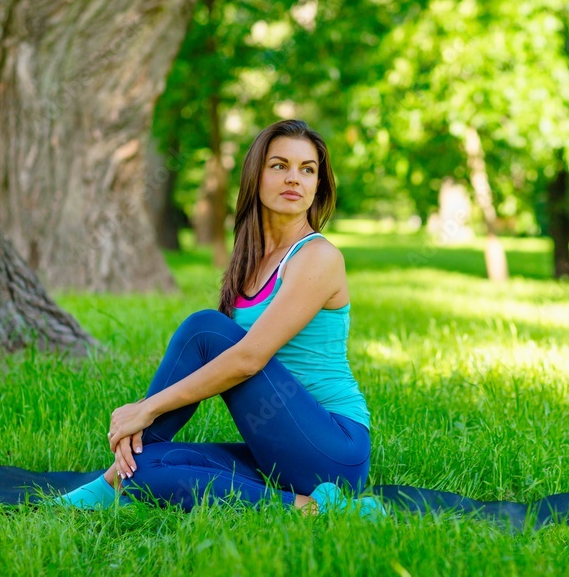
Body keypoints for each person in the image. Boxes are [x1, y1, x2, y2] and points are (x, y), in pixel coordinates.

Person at [52, 119, 382, 517]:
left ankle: (110, 479)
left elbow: (247, 360)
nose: (294, 178)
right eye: (279, 166)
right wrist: (148, 410)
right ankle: (306, 507)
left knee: (204, 329)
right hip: (280, 445)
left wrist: (148, 407)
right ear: (255, 176)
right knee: (146, 470)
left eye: (307, 169)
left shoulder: (318, 257)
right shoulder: (252, 261)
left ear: (318, 185)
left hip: (332, 450)